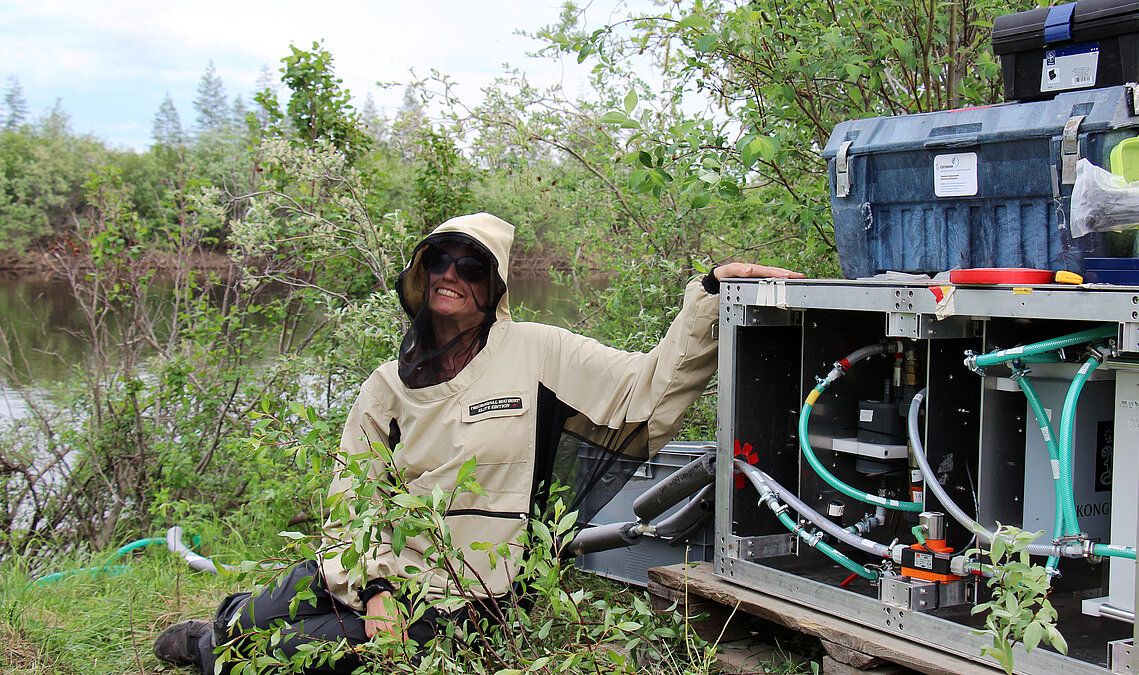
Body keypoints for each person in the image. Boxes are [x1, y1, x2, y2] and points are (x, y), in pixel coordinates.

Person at [153, 212, 803, 673]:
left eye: (472, 265)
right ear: (420, 271)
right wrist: (374, 589)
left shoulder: (537, 351)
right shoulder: (386, 385)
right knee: (281, 601)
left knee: (293, 654)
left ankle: (217, 652)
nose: (452, 274)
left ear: (493, 286)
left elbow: (646, 392)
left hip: (467, 597)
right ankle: (229, 621)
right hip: (380, 567)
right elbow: (351, 503)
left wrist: (711, 295)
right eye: (440, 259)